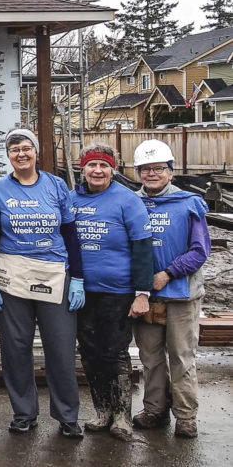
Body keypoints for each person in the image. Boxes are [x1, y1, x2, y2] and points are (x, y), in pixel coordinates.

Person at [0, 128, 84, 439]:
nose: (21, 154)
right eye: (14, 149)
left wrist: (78, 278)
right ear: (8, 155)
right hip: (12, 275)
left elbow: (70, 234)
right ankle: (23, 413)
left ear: (36, 152)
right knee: (15, 349)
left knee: (61, 348)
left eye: (26, 148)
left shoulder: (56, 185)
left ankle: (67, 416)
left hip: (54, 273)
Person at [70, 144, 154, 442]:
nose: (97, 171)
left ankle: (121, 416)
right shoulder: (72, 199)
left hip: (117, 291)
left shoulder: (128, 200)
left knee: (115, 352)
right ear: (82, 169)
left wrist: (142, 293)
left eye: (103, 166)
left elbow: (143, 248)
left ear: (113, 170)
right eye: (91, 165)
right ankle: (102, 410)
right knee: (89, 351)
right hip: (81, 292)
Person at [131, 139, 211, 438]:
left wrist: (168, 273)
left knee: (181, 357)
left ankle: (186, 416)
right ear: (138, 172)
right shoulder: (132, 203)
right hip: (144, 296)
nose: (152, 174)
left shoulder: (188, 203)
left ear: (170, 171)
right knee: (150, 358)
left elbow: (200, 250)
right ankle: (155, 410)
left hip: (181, 295)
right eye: (145, 169)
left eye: (158, 168)